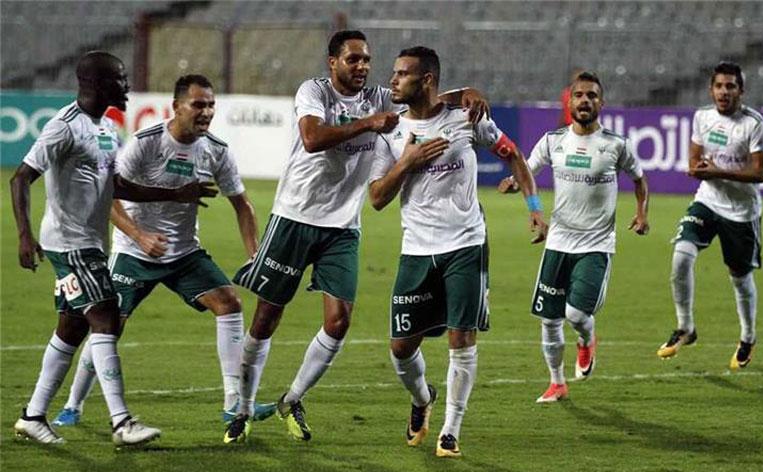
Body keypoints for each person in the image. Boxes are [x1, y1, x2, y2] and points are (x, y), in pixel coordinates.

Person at [222, 30, 489, 444]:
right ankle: (241, 408)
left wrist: (467, 92)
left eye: (366, 59)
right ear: (333, 62)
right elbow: (312, 138)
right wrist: (366, 124)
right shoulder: (314, 92)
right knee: (266, 317)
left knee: (339, 321)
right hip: (294, 216)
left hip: (343, 226)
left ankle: (293, 398)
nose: (362, 66)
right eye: (353, 59)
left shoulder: (380, 98)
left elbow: (425, 94)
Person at [9, 51, 215, 445]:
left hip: (91, 242)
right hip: (70, 243)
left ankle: (33, 416)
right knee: (106, 316)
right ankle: (122, 423)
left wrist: (175, 193)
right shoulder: (63, 127)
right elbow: (20, 178)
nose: (127, 85)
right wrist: (23, 234)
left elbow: (116, 186)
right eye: (120, 78)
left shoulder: (106, 127)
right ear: (96, 84)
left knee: (71, 329)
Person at [51, 74, 276, 429]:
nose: (207, 112)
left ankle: (234, 401)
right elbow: (107, 196)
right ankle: (73, 405)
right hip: (133, 253)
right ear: (176, 107)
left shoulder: (216, 150)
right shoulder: (144, 144)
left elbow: (242, 205)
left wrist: (255, 256)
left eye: (211, 105)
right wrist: (139, 236)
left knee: (229, 303)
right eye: (198, 104)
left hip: (184, 253)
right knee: (108, 327)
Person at [368, 46, 545, 458]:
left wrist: (535, 208)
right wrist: (406, 162)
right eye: (394, 73)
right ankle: (422, 398)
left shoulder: (466, 119)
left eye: (402, 73)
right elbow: (376, 198)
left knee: (461, 338)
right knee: (401, 348)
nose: (393, 80)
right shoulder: (391, 132)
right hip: (416, 249)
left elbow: (514, 155)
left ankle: (450, 430)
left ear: (427, 80)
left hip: (466, 244)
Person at [507, 71, 649, 403]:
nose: (585, 100)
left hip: (595, 244)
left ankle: (586, 340)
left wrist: (642, 213)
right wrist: (515, 185)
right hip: (558, 241)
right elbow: (527, 169)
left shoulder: (615, 144)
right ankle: (557, 383)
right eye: (579, 95)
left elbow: (639, 180)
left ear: (602, 102)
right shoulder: (553, 140)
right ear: (569, 102)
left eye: (592, 95)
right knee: (548, 319)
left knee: (575, 315)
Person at [657, 62, 763, 370]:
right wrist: (697, 169)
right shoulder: (702, 117)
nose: (724, 92)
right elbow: (694, 159)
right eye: (719, 86)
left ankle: (748, 337)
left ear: (741, 91)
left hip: (741, 212)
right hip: (707, 202)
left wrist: (717, 171)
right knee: (681, 257)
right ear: (711, 90)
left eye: (730, 86)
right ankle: (685, 327)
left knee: (740, 277)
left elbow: (760, 173)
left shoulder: (753, 124)